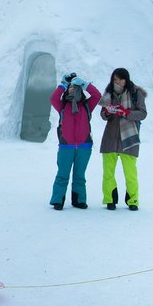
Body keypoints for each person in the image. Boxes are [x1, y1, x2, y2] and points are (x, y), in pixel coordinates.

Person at [49, 73, 101, 210]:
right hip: (66, 146)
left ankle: (79, 200)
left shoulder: (87, 106)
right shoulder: (62, 106)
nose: (73, 89)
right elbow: (53, 98)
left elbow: (97, 96)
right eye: (71, 87)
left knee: (79, 176)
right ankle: (57, 200)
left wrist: (86, 84)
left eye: (76, 87)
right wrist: (63, 85)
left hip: (84, 146)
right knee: (62, 174)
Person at [98, 67, 147, 210]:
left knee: (130, 173)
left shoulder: (136, 93)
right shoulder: (108, 93)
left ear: (126, 79)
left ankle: (133, 200)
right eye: (114, 79)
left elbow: (143, 113)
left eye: (119, 79)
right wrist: (107, 111)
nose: (117, 82)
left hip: (129, 137)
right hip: (110, 137)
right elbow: (102, 115)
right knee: (108, 172)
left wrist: (126, 112)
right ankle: (109, 199)